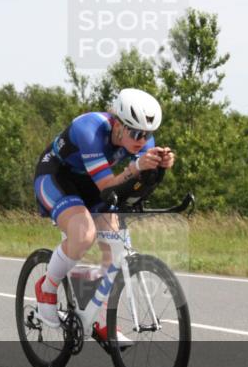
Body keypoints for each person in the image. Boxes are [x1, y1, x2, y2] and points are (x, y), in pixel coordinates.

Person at [32, 88, 175, 342]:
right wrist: (136, 167)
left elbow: (133, 187)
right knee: (84, 235)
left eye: (147, 134)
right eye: (136, 132)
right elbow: (108, 186)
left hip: (94, 183)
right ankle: (47, 287)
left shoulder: (144, 143)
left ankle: (97, 318)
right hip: (57, 177)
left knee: (116, 248)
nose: (142, 140)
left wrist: (157, 170)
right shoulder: (90, 130)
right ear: (118, 124)